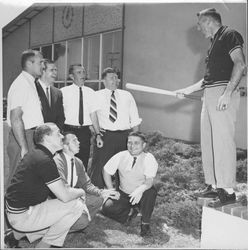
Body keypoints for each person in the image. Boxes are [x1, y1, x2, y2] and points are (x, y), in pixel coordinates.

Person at [174, 8, 246, 206]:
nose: (198, 29)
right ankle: (214, 186)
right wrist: (186, 90)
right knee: (209, 142)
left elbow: (240, 65)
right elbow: (207, 80)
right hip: (211, 93)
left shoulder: (229, 35)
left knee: (222, 142)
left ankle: (228, 191)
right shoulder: (213, 43)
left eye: (200, 24)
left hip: (223, 93)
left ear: (209, 21)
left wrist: (227, 93)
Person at [4, 123, 88, 248]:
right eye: (58, 133)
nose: (62, 137)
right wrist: (81, 191)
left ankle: (15, 235)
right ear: (47, 138)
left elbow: (61, 191)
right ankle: (44, 246)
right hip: (21, 216)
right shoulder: (44, 160)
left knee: (66, 215)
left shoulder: (38, 154)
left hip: (19, 211)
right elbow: (64, 196)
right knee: (76, 206)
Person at [54, 131, 120, 231]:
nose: (79, 142)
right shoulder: (58, 161)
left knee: (98, 200)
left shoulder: (78, 162)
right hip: (58, 199)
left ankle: (77, 222)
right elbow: (62, 189)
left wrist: (102, 192)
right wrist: (79, 197)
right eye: (74, 140)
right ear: (65, 146)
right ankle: (62, 227)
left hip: (73, 196)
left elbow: (86, 184)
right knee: (82, 222)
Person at [88, 67, 142, 189]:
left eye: (116, 77)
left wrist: (136, 139)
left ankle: (122, 196)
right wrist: (96, 133)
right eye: (111, 78)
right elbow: (92, 115)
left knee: (124, 169)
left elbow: (134, 118)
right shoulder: (96, 95)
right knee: (99, 167)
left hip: (124, 136)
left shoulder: (127, 95)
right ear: (104, 81)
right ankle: (97, 198)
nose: (115, 80)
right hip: (105, 136)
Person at [101, 131, 158, 237]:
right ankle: (130, 214)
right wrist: (111, 190)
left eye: (136, 143)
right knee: (106, 208)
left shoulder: (149, 158)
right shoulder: (121, 155)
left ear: (143, 145)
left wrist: (139, 190)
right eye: (129, 142)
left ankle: (145, 224)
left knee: (151, 192)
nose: (132, 146)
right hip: (124, 193)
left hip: (141, 194)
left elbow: (149, 181)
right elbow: (106, 171)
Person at [6, 49, 44, 187]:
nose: (43, 66)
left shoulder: (30, 83)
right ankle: (8, 208)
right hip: (23, 137)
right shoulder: (21, 84)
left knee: (28, 179)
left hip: (30, 136)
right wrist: (23, 147)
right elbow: (15, 118)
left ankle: (22, 208)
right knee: (17, 178)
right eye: (40, 62)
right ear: (29, 63)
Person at [61, 64, 103, 170]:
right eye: (79, 72)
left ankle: (81, 185)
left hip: (84, 132)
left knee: (82, 162)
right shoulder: (63, 92)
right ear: (71, 76)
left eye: (84, 72)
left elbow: (93, 115)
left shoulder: (91, 93)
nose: (83, 75)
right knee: (67, 161)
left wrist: (98, 134)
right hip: (68, 131)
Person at [35, 59, 65, 131]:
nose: (55, 73)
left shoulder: (58, 92)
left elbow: (61, 117)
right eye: (52, 70)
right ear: (43, 71)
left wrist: (55, 132)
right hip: (36, 134)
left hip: (53, 135)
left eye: (56, 70)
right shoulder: (33, 89)